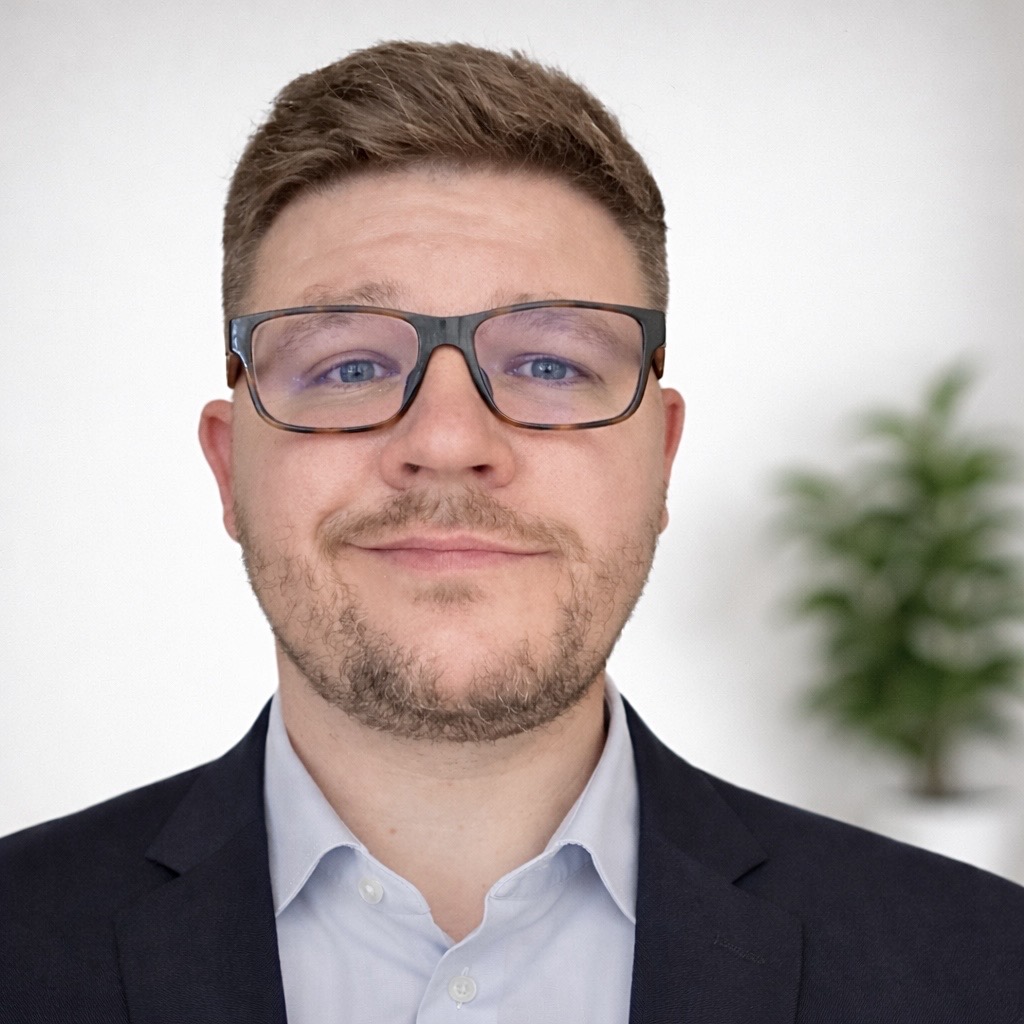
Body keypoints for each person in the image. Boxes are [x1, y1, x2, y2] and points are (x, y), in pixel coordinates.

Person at [2, 40, 1022, 1024]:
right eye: (349, 367)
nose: (448, 442)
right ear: (230, 468)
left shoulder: (984, 969)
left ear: (661, 459)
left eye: (548, 364)